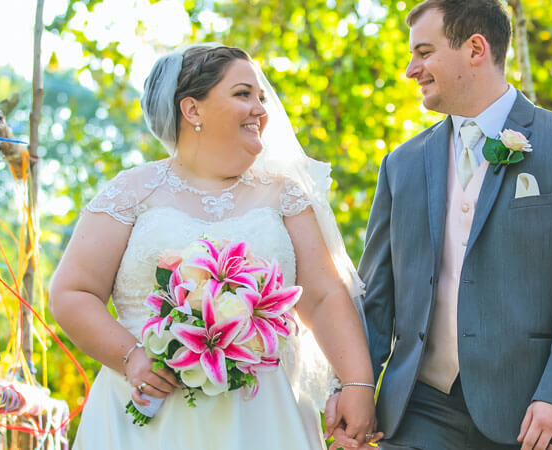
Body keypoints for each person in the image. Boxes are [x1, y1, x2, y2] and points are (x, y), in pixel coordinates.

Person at [49, 43, 380, 449]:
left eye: (261, 96)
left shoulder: (285, 197)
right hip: (150, 416)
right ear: (192, 110)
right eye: (243, 94)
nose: (261, 109)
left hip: (263, 420)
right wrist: (132, 358)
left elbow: (326, 296)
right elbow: (72, 293)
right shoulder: (132, 191)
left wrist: (357, 383)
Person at [326, 0, 552, 449]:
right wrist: (352, 386)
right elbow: (377, 296)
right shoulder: (401, 165)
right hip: (418, 409)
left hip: (534, 415)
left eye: (424, 52)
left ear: (476, 48)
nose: (411, 69)